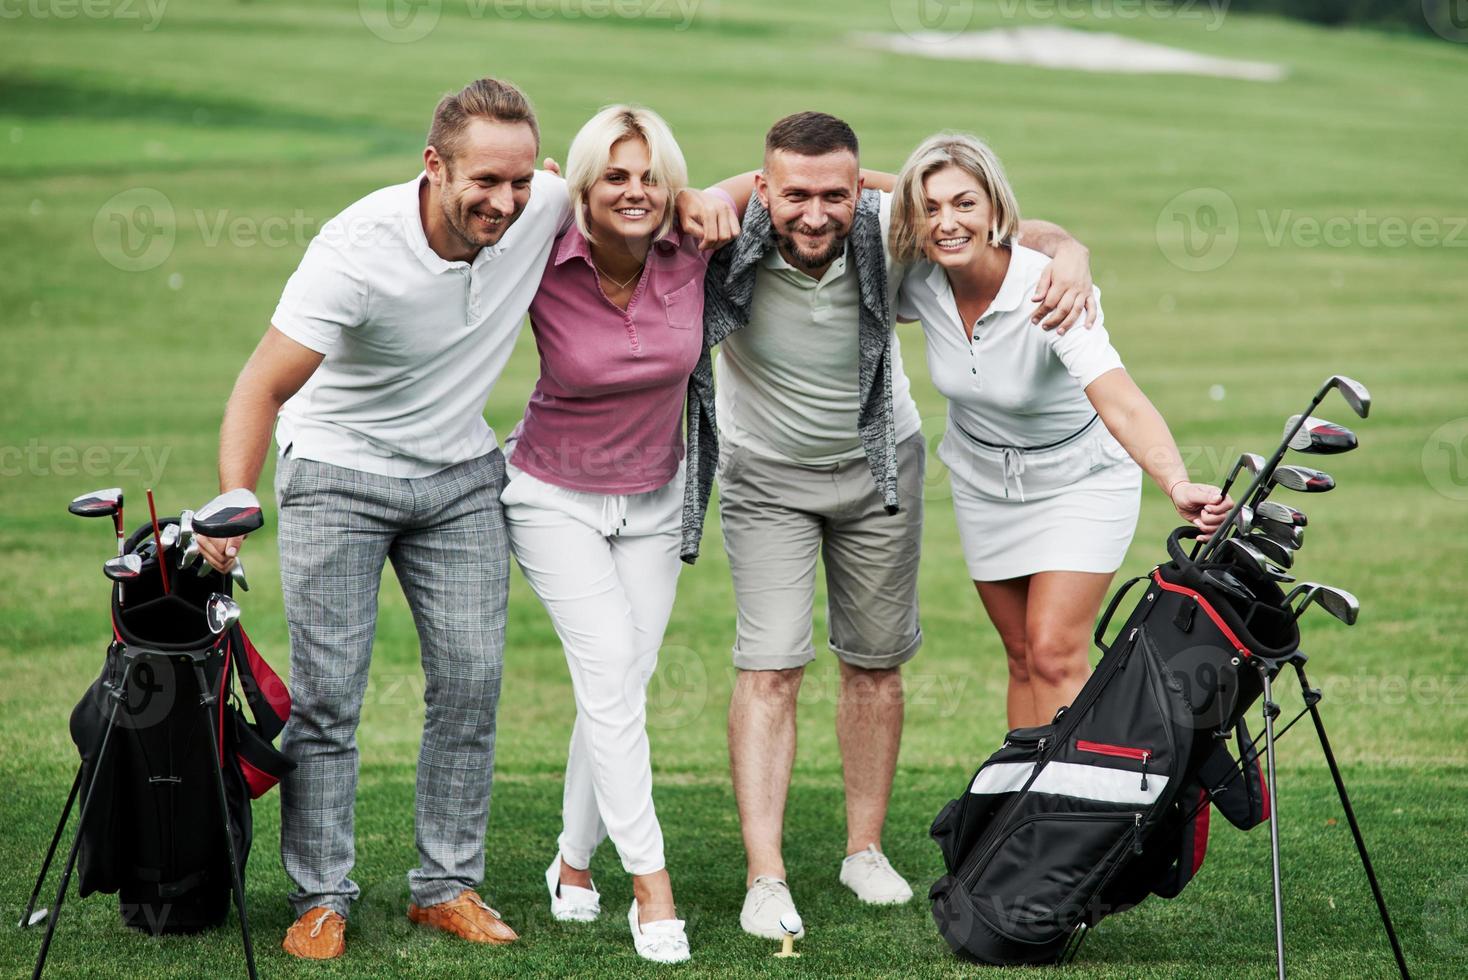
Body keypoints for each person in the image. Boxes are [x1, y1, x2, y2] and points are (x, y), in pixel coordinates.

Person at [193, 78, 734, 961]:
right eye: (485, 182)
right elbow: (261, 384)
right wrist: (233, 500)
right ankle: (322, 896)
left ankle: (445, 885)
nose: (506, 202)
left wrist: (700, 196)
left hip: (460, 477)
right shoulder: (357, 249)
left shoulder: (545, 201)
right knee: (330, 698)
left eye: (521, 183)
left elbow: (641, 193)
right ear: (434, 165)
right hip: (339, 472)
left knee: (473, 685)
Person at [678, 112, 1098, 939]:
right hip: (766, 474)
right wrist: (702, 192)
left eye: (836, 193)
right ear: (764, 188)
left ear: (860, 190)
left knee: (875, 664)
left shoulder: (887, 226)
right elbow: (643, 210)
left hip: (879, 467)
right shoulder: (728, 234)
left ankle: (862, 849)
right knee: (770, 666)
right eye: (795, 194)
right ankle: (766, 877)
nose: (815, 213)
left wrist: (1073, 253)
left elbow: (1015, 230)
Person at [888, 133, 1232, 731]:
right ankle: (1027, 808)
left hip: (1081, 481)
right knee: (1021, 657)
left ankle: (1075, 807)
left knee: (1053, 652)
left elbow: (1119, 400)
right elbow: (857, 185)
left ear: (997, 208)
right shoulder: (919, 279)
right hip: (983, 484)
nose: (947, 222)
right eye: (931, 208)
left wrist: (1176, 483)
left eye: (965, 204)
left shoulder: (1051, 289)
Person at [500, 105, 734, 964]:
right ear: (584, 190)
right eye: (614, 177)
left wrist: (707, 189)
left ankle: (571, 864)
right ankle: (652, 887)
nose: (634, 193)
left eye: (650, 177)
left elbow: (803, 185)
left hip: (656, 500)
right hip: (550, 496)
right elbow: (473, 204)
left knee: (618, 688)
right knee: (609, 675)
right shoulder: (542, 246)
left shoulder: (693, 242)